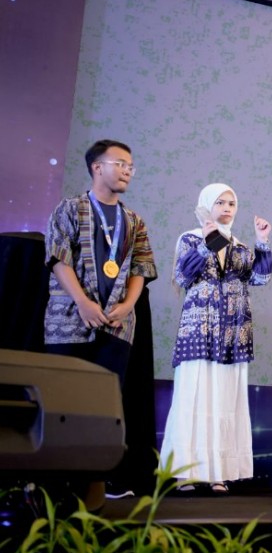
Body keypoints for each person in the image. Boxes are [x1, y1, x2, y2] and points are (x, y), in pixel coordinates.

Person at [44, 139, 157, 502]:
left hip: (116, 325)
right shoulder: (70, 208)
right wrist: (82, 302)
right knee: (63, 403)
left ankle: (96, 484)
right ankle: (56, 486)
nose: (127, 171)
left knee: (105, 407)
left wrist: (128, 305)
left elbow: (141, 268)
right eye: (120, 163)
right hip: (69, 322)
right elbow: (58, 258)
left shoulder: (133, 220)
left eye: (130, 166)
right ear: (97, 167)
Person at [159, 183, 272, 494]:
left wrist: (262, 242)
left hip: (233, 333)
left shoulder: (239, 246)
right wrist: (208, 244)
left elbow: (260, 278)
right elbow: (182, 276)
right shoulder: (191, 238)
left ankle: (217, 472)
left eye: (231, 203)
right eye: (220, 202)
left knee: (224, 400)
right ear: (206, 205)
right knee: (194, 397)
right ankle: (185, 473)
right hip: (199, 330)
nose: (226, 208)